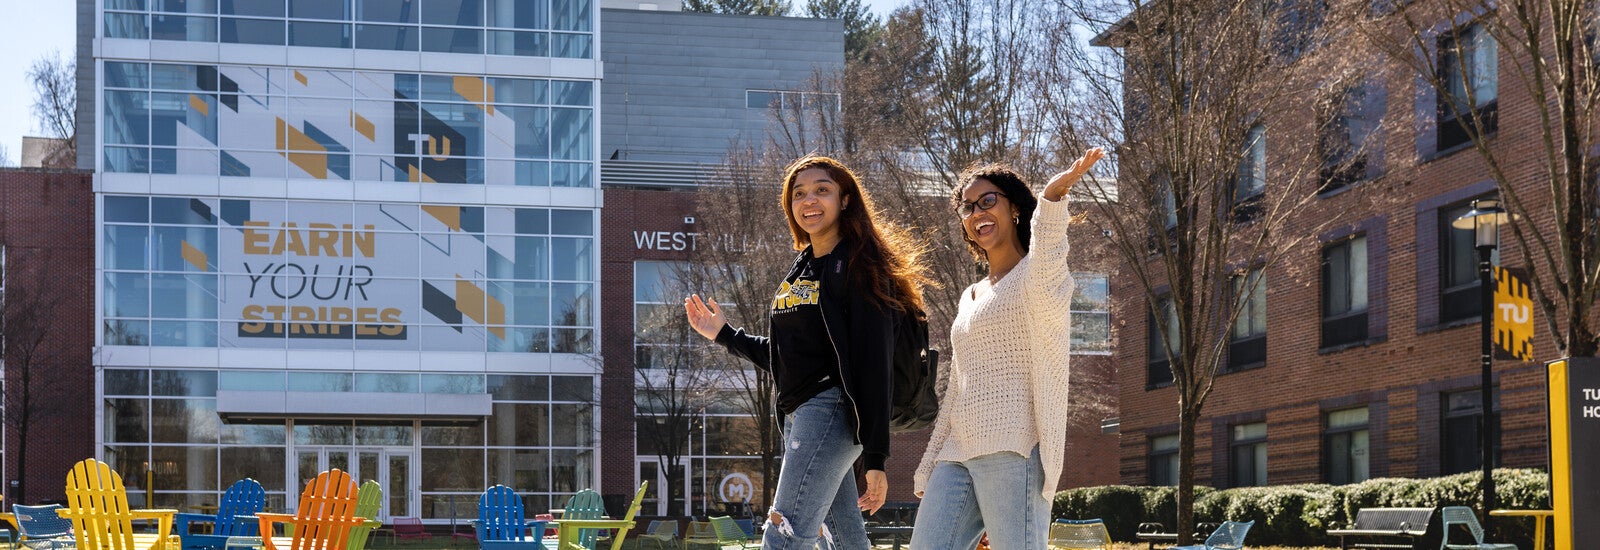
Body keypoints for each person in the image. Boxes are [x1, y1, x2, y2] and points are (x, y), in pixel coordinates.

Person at [684, 155, 931, 550]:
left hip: (830, 410)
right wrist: (725, 335)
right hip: (799, 415)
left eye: (822, 190)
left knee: (785, 530)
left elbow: (874, 363)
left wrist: (876, 457)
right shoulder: (803, 268)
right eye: (799, 193)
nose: (809, 200)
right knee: (845, 540)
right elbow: (787, 356)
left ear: (845, 200)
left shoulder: (859, 265)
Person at [910, 148, 1105, 550]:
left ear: (1014, 207)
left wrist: (1051, 200)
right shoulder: (970, 296)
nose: (977, 212)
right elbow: (958, 388)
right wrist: (931, 460)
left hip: (1012, 447)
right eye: (967, 208)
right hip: (958, 450)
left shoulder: (1035, 277)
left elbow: (1050, 254)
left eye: (987, 201)